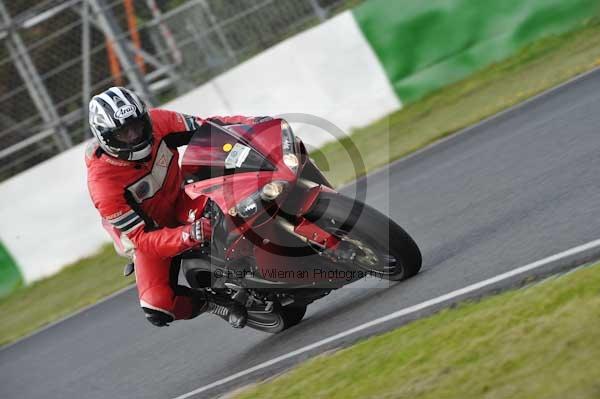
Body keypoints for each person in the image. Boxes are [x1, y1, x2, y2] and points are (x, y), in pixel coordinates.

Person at [86, 86, 260, 328]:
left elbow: (209, 127)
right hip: (149, 235)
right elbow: (141, 238)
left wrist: (251, 123)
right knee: (156, 306)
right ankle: (213, 303)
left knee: (233, 196)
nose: (135, 136)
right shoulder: (103, 184)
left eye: (137, 125)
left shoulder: (159, 121)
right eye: (124, 133)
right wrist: (188, 234)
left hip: (182, 196)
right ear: (106, 138)